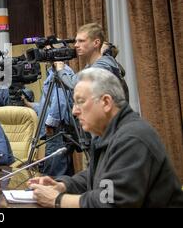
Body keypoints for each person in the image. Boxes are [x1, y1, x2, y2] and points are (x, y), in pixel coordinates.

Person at [28, 68, 183, 208]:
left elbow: (110, 201)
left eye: (80, 102)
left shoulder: (133, 138)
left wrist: (57, 200)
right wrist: (63, 185)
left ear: (106, 102)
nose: (74, 111)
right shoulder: (108, 132)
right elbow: (98, 177)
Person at [23, 63, 76, 177]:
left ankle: (53, 194)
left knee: (54, 172)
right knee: (62, 169)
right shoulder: (52, 72)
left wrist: (50, 124)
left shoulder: (61, 71)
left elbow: (60, 102)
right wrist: (28, 104)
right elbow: (48, 104)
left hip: (57, 130)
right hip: (56, 128)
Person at [55, 24, 127, 96]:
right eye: (76, 41)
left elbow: (74, 84)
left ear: (96, 43)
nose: (76, 45)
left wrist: (60, 69)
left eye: (81, 41)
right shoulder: (91, 65)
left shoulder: (103, 66)